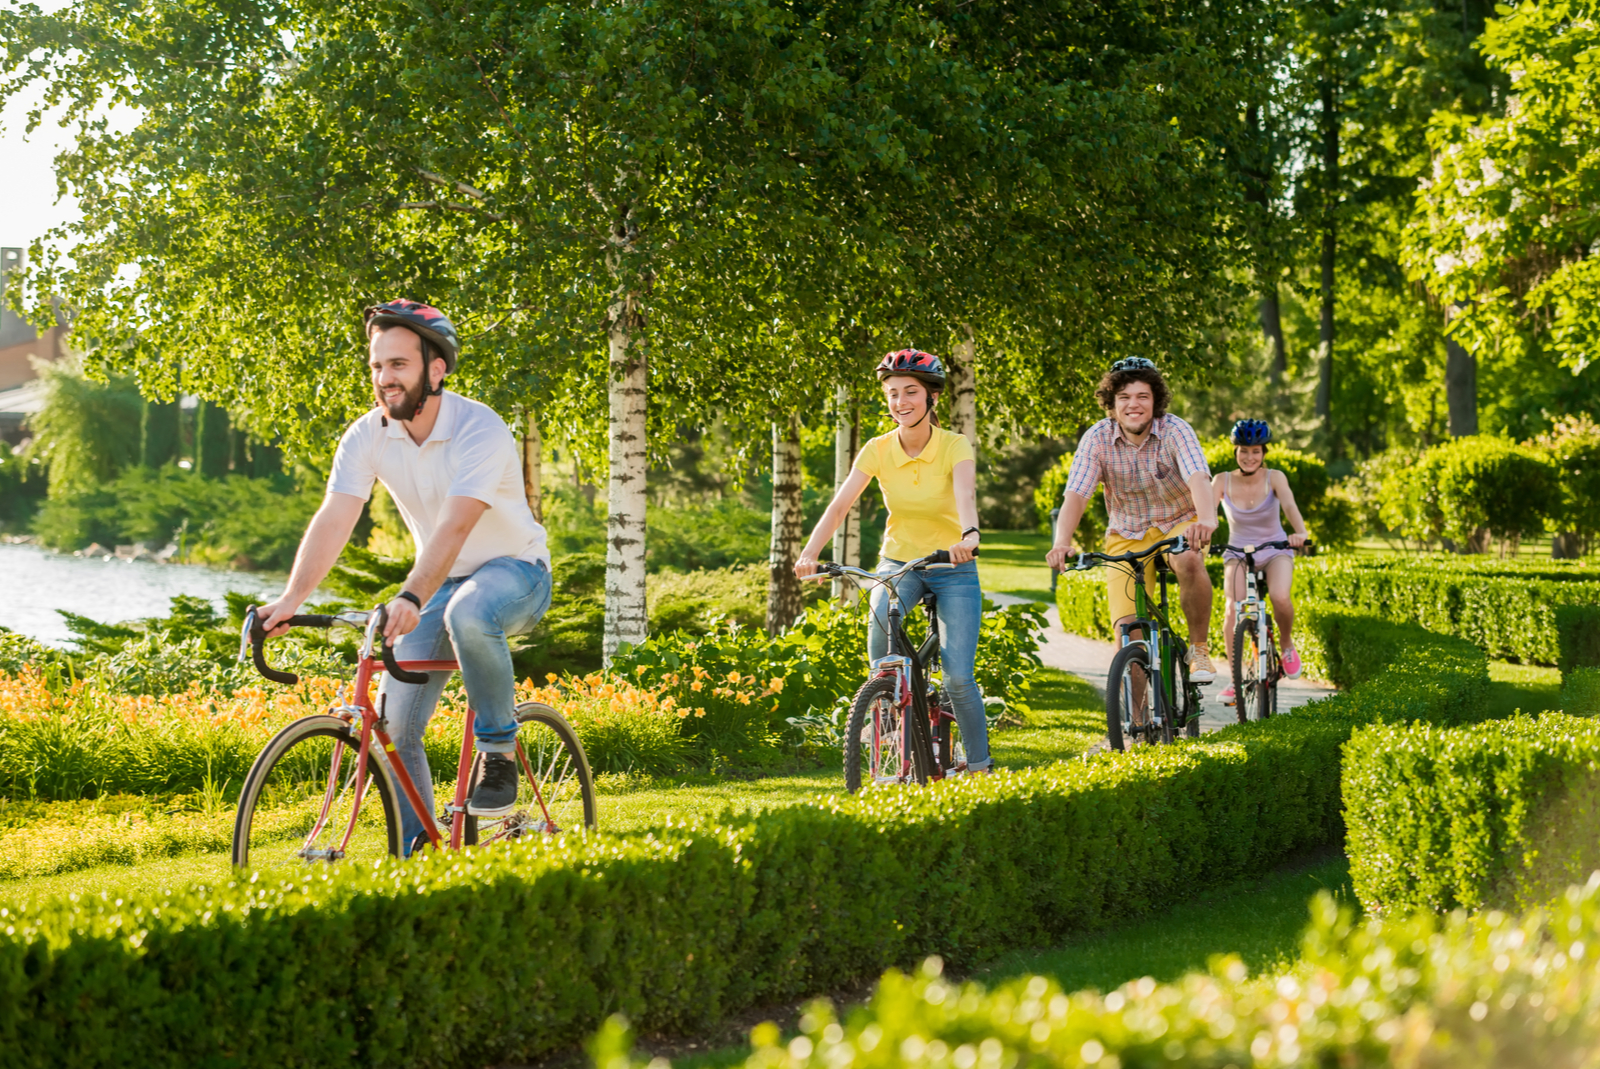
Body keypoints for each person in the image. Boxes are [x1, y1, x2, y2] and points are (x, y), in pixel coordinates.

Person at [256, 299, 552, 852]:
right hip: (441, 584)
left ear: (435, 368)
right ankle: (423, 852)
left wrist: (412, 595)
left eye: (398, 365)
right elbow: (336, 516)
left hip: (516, 572)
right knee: (392, 726)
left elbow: (456, 526)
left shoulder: (478, 429)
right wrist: (292, 598)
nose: (384, 379)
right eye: (376, 366)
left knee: (471, 612)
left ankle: (498, 752)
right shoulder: (368, 434)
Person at [793, 349, 991, 773]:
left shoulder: (954, 444)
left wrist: (968, 535)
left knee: (958, 676)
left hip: (952, 565)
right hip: (900, 560)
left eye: (910, 392)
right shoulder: (877, 448)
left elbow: (966, 496)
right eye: (892, 393)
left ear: (931, 397)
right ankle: (888, 707)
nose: (900, 402)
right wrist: (810, 552)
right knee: (880, 622)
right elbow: (839, 505)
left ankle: (980, 767)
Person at [1044, 357, 1218, 683]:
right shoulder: (1096, 438)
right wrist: (1061, 542)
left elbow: (1197, 474)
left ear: (1156, 401)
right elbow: (1077, 493)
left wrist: (1207, 519)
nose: (1133, 405)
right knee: (1128, 634)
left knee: (1189, 558)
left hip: (1178, 520)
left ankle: (1199, 648)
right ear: (1111, 404)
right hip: (1126, 531)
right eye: (1124, 397)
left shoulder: (1175, 430)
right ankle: (1135, 727)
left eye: (1142, 396)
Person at [1213, 418, 1308, 702]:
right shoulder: (1222, 480)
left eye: (1255, 451)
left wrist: (1300, 532)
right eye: (1244, 450)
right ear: (1235, 452)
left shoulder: (1274, 477)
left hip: (1275, 549)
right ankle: (1234, 679)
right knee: (1233, 608)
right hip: (1237, 552)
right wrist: (1199, 534)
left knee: (1279, 596)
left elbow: (1289, 504)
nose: (1249, 456)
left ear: (1264, 453)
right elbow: (1204, 511)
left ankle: (1287, 644)